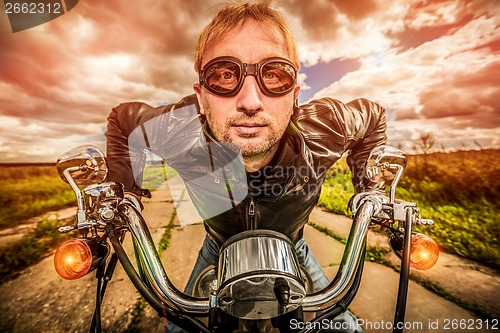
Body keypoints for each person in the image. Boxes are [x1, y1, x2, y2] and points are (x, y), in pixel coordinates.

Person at [106, 1, 386, 332]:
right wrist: (124, 190)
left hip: (292, 245)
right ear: (201, 96)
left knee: (341, 326)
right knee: (183, 327)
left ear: (294, 94)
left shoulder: (327, 127)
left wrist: (370, 189)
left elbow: (373, 115)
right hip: (218, 245)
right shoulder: (177, 130)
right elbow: (122, 118)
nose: (250, 102)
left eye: (274, 74)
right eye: (224, 75)